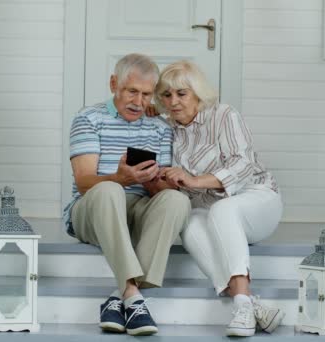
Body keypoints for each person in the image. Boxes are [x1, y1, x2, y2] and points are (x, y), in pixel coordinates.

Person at [62, 53, 191, 336]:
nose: (139, 102)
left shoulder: (159, 126)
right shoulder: (89, 119)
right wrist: (120, 178)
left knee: (177, 199)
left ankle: (117, 299)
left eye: (146, 95)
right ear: (113, 84)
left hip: (137, 208)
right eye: (132, 91)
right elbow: (84, 183)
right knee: (108, 189)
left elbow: (164, 190)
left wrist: (148, 181)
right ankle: (132, 293)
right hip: (92, 210)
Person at [153, 60, 285, 337]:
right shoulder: (166, 129)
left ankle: (242, 305)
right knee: (187, 224)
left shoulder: (223, 115)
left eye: (181, 93)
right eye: (166, 95)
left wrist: (195, 180)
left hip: (256, 199)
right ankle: (247, 304)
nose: (173, 101)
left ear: (197, 93)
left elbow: (243, 163)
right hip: (207, 209)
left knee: (222, 210)